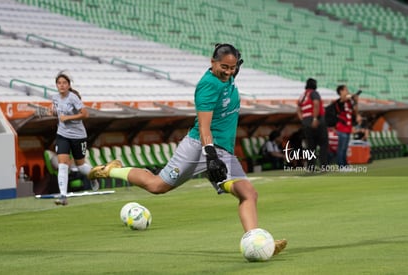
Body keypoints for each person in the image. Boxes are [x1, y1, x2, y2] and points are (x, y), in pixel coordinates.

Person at [88, 44, 287, 255]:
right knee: (157, 186)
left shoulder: (228, 77)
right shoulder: (208, 86)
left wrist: (233, 66)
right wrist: (210, 156)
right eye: (224, 67)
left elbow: (230, 70)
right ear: (212, 62)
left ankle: (257, 242)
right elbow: (203, 127)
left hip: (223, 151)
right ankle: (110, 170)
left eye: (233, 67)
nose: (228, 72)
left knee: (248, 193)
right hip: (199, 147)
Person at [52, 71, 98, 205]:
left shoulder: (73, 98)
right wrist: (46, 112)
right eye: (59, 83)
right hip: (62, 135)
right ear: (56, 85)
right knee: (62, 164)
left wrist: (68, 117)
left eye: (64, 83)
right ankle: (63, 196)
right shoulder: (55, 98)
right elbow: (56, 111)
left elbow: (85, 114)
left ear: (68, 85)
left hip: (78, 136)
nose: (61, 85)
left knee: (81, 165)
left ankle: (93, 176)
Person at [297, 78, 328, 171]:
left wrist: (303, 120)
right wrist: (314, 118)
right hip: (317, 119)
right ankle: (324, 166)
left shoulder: (302, 95)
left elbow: (298, 109)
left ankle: (311, 166)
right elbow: (316, 104)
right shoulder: (313, 93)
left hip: (306, 121)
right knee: (323, 144)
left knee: (311, 145)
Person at [335, 85, 359, 170]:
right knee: (341, 148)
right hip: (341, 128)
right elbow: (343, 99)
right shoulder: (339, 102)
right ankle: (341, 166)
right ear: (341, 91)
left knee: (345, 148)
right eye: (346, 90)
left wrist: (355, 102)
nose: (347, 91)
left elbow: (355, 111)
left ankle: (345, 164)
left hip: (348, 128)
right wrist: (352, 96)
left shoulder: (348, 102)